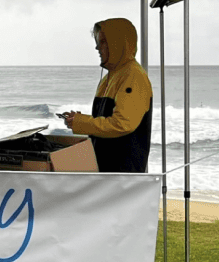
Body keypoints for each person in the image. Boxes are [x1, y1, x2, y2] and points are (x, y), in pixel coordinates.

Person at [61, 18, 153, 173]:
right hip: (107, 168)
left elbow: (122, 124)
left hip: (123, 172)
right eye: (98, 42)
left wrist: (83, 123)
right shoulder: (110, 77)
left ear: (119, 43)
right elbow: (105, 120)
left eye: (103, 42)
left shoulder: (134, 76)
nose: (97, 47)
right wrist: (79, 120)